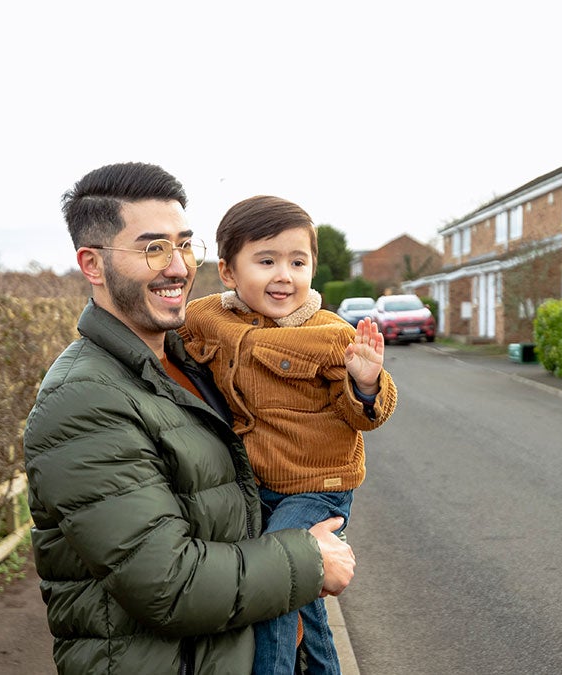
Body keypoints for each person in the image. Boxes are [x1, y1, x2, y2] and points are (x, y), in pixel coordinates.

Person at [22, 163, 356, 675]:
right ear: (92, 264)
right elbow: (166, 584)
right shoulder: (82, 400)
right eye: (153, 248)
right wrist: (308, 561)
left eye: (183, 245)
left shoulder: (194, 359)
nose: (177, 267)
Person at [179, 195, 398, 674]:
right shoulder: (207, 316)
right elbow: (169, 338)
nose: (285, 275)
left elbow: (368, 415)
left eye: (298, 262)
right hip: (257, 488)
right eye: (266, 260)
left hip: (317, 489)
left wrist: (364, 382)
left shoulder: (330, 335)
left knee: (278, 577)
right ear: (229, 272)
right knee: (307, 602)